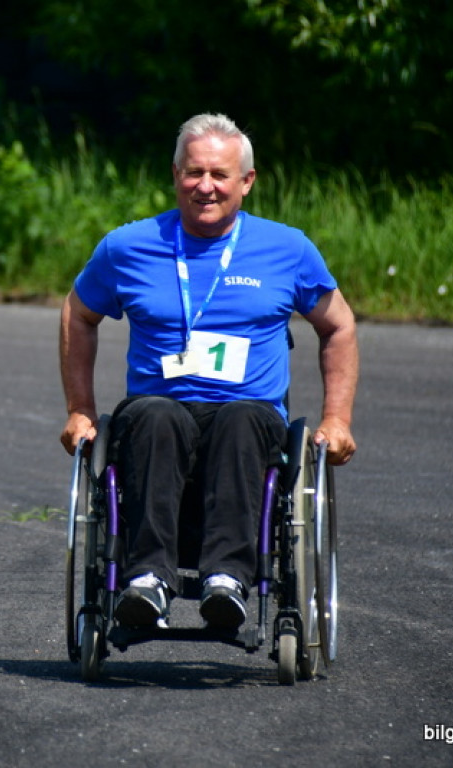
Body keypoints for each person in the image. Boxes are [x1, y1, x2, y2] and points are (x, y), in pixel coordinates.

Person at [59, 113, 359, 631]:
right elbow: (77, 314)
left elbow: (339, 326)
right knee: (155, 415)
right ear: (175, 174)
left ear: (247, 181)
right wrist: (80, 409)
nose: (206, 186)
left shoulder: (287, 249)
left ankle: (228, 579)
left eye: (220, 174)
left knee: (242, 419)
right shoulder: (127, 246)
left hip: (249, 415)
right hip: (157, 413)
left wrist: (337, 419)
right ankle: (146, 579)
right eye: (194, 172)